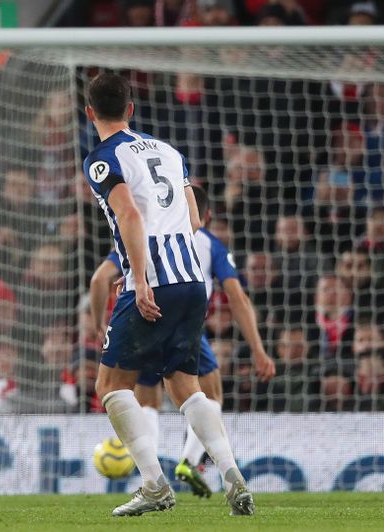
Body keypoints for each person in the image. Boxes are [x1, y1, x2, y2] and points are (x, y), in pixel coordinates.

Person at [82, 73, 255, 516]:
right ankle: (234, 478)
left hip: (154, 281)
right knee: (185, 385)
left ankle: (155, 486)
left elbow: (129, 214)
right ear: (131, 109)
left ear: (89, 113)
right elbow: (194, 220)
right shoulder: (168, 151)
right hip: (191, 280)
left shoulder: (103, 157)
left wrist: (138, 275)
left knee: (110, 384)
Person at [90, 185, 274, 498]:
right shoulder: (209, 243)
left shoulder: (144, 234)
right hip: (185, 319)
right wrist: (257, 348)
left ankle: (151, 477)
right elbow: (237, 296)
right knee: (208, 391)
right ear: (208, 214)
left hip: (143, 314)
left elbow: (98, 280)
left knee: (142, 398)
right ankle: (191, 462)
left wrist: (98, 326)